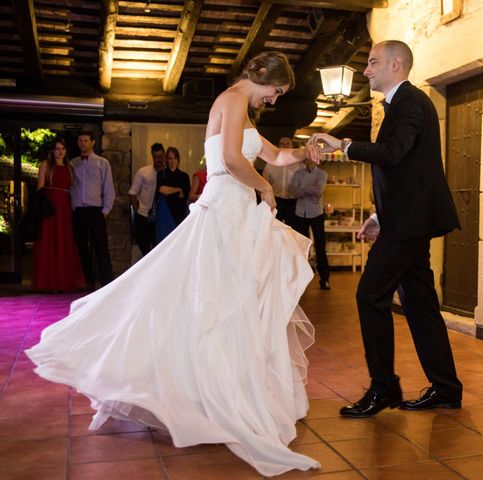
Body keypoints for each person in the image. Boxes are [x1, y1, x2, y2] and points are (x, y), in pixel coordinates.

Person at [26, 51, 322, 477]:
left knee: (230, 306)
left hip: (235, 212)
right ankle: (206, 392)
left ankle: (220, 387)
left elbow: (273, 157)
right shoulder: (235, 99)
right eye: (277, 91)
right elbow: (237, 160)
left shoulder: (244, 108)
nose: (275, 100)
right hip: (226, 212)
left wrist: (308, 152)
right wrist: (265, 190)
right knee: (212, 305)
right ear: (264, 79)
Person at [311, 40, 463, 418]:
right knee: (421, 305)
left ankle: (384, 389)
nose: (366, 70)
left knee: (369, 297)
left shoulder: (410, 102)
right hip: (407, 220)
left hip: (410, 224)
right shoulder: (401, 104)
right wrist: (380, 215)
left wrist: (342, 146)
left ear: (396, 64)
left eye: (372, 62)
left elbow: (393, 154)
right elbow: (405, 170)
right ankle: (445, 389)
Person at [32, 138, 85, 291]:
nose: (60, 151)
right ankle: (48, 282)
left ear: (66, 151)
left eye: (62, 148)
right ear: (52, 151)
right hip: (49, 208)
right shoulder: (46, 165)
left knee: (63, 241)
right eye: (57, 148)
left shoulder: (69, 167)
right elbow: (40, 189)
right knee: (48, 242)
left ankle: (62, 282)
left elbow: (71, 189)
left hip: (64, 208)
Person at [69, 130, 115, 291]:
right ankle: (89, 280)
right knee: (81, 247)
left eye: (86, 140)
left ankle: (107, 282)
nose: (83, 143)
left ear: (92, 142)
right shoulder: (72, 164)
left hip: (96, 211)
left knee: (101, 246)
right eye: (80, 141)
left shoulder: (102, 163)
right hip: (78, 211)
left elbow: (109, 188)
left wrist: (105, 211)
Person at [291, 157, 330, 290]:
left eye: (313, 159)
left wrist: (302, 187)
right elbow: (294, 192)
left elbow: (318, 191)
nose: (310, 162)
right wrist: (309, 189)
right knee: (301, 246)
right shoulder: (298, 174)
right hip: (300, 213)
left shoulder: (322, 174)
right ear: (304, 161)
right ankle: (301, 279)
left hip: (316, 213)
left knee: (320, 246)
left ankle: (324, 279)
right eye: (308, 159)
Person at [129, 142, 165, 256]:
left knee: (159, 248)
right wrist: (137, 211)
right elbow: (132, 192)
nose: (158, 159)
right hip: (144, 216)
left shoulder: (168, 174)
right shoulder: (143, 172)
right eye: (155, 157)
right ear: (152, 156)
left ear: (164, 156)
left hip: (162, 218)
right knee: (144, 248)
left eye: (160, 156)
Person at [262, 136, 301, 226]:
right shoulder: (270, 164)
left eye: (288, 143)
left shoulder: (299, 165)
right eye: (282, 144)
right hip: (276, 200)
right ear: (278, 146)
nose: (285, 146)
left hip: (293, 202)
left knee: (292, 229)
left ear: (292, 146)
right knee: (275, 227)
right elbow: (265, 182)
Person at [154, 146, 190, 243]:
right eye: (170, 158)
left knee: (179, 243)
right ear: (166, 159)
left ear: (178, 159)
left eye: (174, 158)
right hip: (165, 214)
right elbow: (162, 189)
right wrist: (178, 189)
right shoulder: (161, 174)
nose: (172, 161)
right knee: (164, 243)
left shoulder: (184, 176)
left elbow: (184, 194)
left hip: (180, 215)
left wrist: (170, 191)